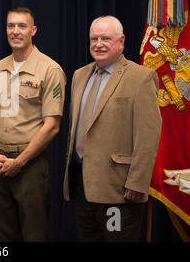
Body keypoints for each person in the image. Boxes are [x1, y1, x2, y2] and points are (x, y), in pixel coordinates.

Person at [63, 15, 162, 241]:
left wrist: (137, 183)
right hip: (82, 188)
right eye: (94, 39)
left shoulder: (141, 78)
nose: (98, 44)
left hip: (119, 192)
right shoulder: (80, 75)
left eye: (105, 38)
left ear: (121, 41)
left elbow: (148, 136)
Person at [0, 7, 66, 241]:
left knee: (34, 235)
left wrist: (19, 162)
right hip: (1, 164)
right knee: (6, 234)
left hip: (30, 166)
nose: (15, 31)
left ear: (33, 30)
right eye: (11, 26)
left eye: (22, 26)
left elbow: (52, 126)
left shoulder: (50, 69)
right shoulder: (0, 67)